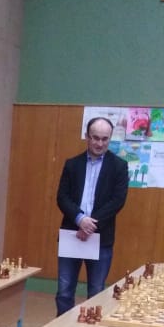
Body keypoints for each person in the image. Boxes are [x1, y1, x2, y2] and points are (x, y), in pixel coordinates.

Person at [55, 117, 129, 315]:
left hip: (100, 237)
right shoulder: (72, 164)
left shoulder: (119, 166)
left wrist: (90, 225)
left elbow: (117, 201)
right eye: (95, 138)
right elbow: (62, 197)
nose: (100, 143)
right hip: (72, 234)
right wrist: (80, 219)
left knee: (96, 291)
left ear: (110, 138)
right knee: (64, 291)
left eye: (105, 139)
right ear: (87, 136)